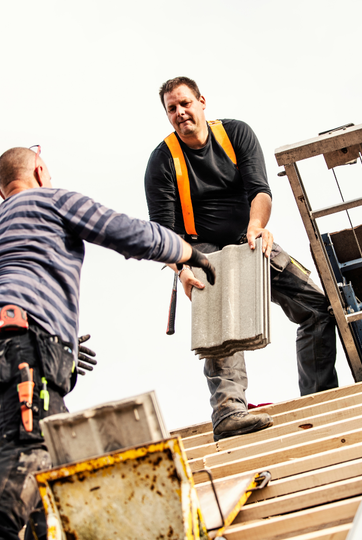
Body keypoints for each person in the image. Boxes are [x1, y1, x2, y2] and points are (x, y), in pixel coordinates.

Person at [0, 146, 216, 540]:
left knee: (46, 477)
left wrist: (58, 343)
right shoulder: (50, 199)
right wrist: (187, 252)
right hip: (23, 342)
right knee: (28, 449)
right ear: (42, 171)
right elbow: (126, 232)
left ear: (1, 191)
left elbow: (7, 292)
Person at [144, 76, 338, 442]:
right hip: (201, 252)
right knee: (220, 323)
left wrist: (256, 226)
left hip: (249, 238)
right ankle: (229, 412)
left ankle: (319, 395)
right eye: (172, 108)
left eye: (185, 103)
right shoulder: (162, 162)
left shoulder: (235, 134)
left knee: (317, 306)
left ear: (202, 102)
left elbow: (259, 189)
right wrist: (183, 270)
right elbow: (163, 236)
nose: (180, 113)